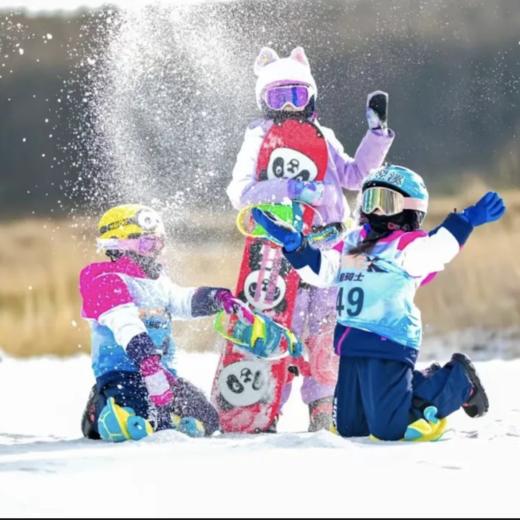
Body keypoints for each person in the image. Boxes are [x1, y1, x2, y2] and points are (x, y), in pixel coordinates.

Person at [251, 164, 506, 441]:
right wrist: (295, 246)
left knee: (391, 428)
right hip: (350, 344)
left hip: (388, 342)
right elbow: (323, 271)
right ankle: (413, 385)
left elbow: (436, 249)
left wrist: (466, 220)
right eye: (370, 201)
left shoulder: (405, 247)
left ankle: (459, 381)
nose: (375, 212)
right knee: (350, 427)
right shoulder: (353, 243)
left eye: (386, 203)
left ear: (409, 209)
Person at [225, 46, 395, 431]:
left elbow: (354, 176)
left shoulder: (322, 134)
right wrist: (291, 189)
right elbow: (241, 193)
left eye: (296, 96)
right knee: (282, 325)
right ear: (263, 101)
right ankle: (266, 405)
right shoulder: (259, 136)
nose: (288, 107)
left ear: (311, 96)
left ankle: (323, 406)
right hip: (279, 251)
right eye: (278, 97)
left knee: (325, 328)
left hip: (332, 244)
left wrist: (377, 134)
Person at [80, 203, 236, 441]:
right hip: (123, 375)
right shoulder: (105, 281)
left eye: (158, 243)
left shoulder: (157, 280)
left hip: (163, 375)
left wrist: (216, 298)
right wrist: (146, 361)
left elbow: (182, 300)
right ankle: (99, 409)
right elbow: (125, 324)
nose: (154, 251)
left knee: (207, 418)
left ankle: (169, 420)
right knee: (138, 422)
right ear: (118, 244)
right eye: (147, 243)